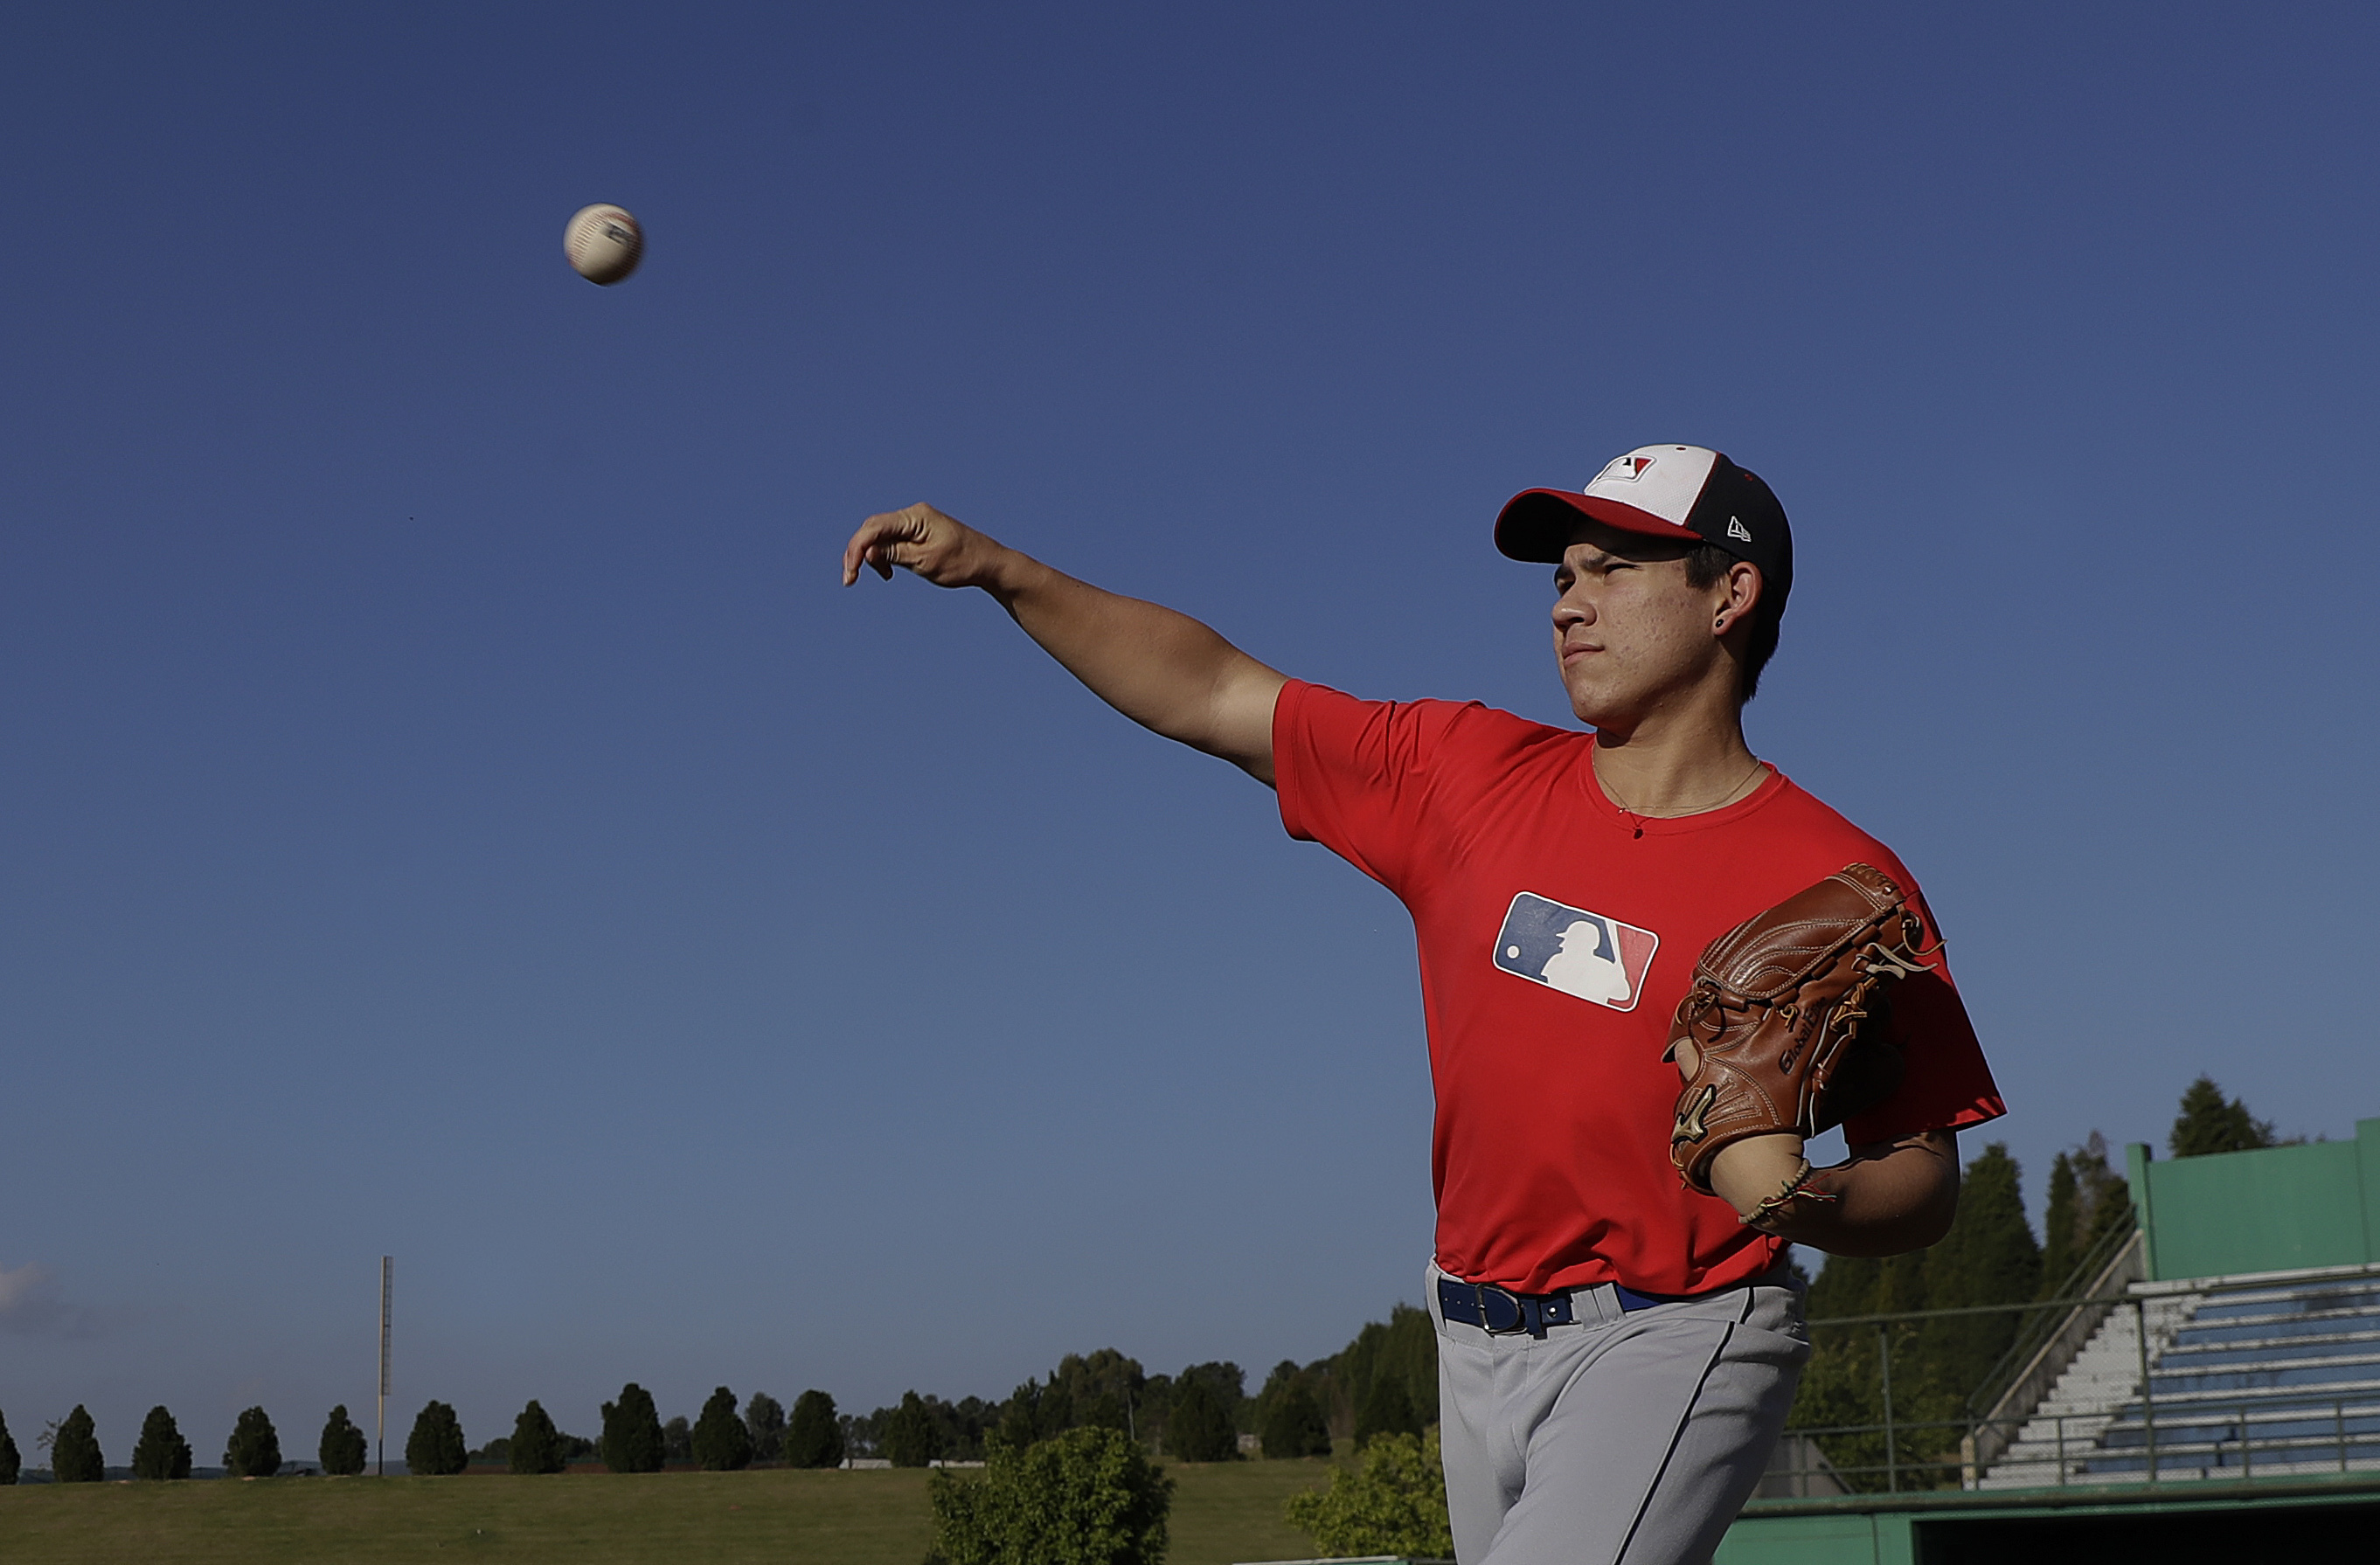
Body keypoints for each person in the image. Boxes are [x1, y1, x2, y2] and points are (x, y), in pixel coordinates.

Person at [841, 443, 2004, 1564]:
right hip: (1472, 1338)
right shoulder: (1465, 776)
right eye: (1562, 575)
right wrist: (1003, 569)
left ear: (1730, 594)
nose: (1568, 602)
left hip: (1679, 1330)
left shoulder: (1842, 884)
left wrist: (1812, 1201)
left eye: (1616, 567)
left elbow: (1924, 1174)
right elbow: (1212, 692)